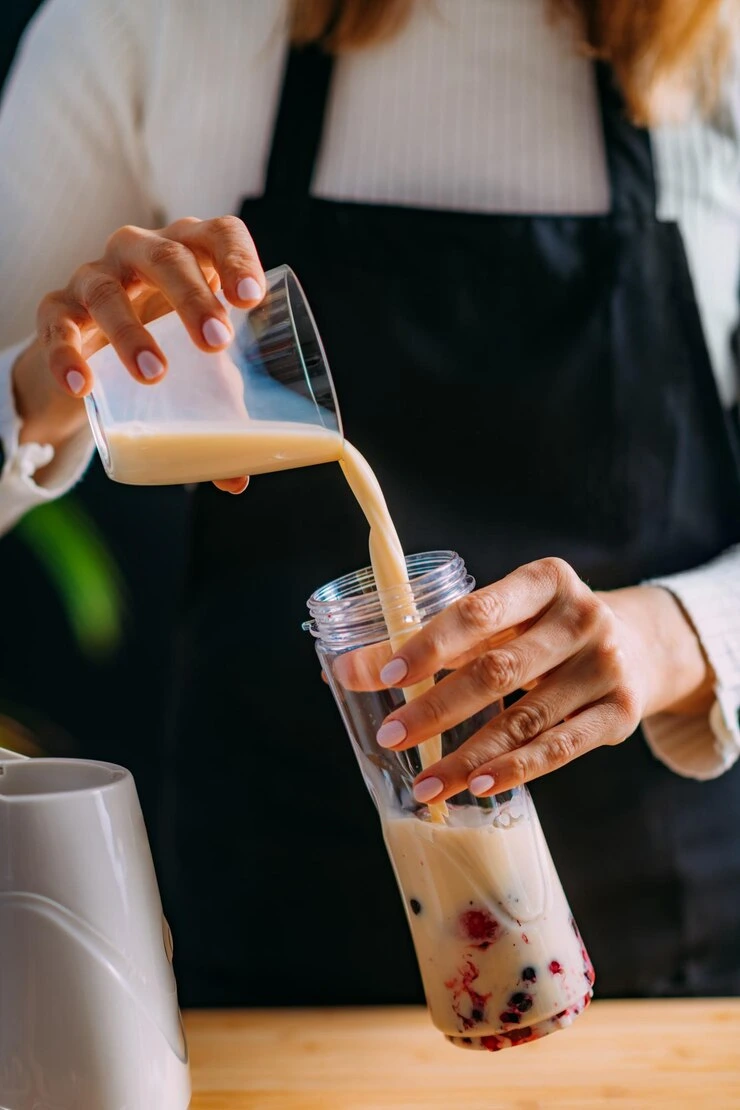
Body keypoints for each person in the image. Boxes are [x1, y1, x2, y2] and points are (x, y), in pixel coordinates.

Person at [1, 0, 740, 1006]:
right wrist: (43, 392)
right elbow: (43, 382)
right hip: (271, 945)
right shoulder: (150, 22)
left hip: (668, 962)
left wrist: (679, 636)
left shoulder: (715, 43)